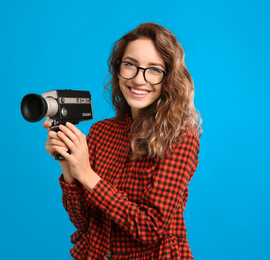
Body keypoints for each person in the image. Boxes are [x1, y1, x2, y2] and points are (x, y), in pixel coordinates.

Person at [43, 22, 202, 260]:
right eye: (130, 65)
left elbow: (150, 228)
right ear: (118, 69)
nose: (139, 79)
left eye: (155, 69)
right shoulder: (100, 132)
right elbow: (83, 221)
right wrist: (67, 162)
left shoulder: (181, 138)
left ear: (170, 78)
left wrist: (86, 174)